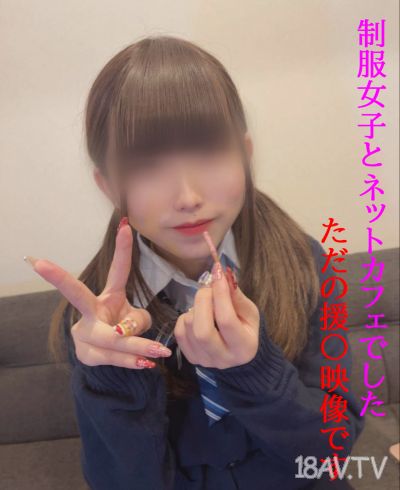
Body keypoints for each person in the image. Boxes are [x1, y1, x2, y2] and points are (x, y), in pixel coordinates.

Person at [29, 35, 365, 490]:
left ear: (245, 156)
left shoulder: (304, 262)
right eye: (146, 166)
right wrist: (113, 380)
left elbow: (333, 446)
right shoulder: (94, 320)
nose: (188, 197)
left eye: (208, 153)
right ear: (107, 186)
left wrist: (254, 372)